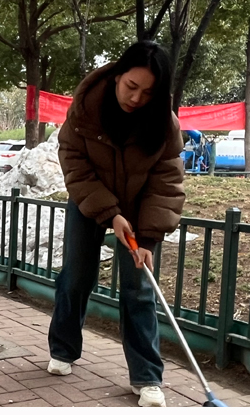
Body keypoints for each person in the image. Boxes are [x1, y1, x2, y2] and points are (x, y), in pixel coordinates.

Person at [47, 40, 185, 407]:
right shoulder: (86, 109)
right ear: (117, 76)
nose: (137, 98)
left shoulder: (163, 124)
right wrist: (110, 213)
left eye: (148, 92)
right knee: (76, 275)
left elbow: (167, 181)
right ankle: (63, 348)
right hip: (90, 199)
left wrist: (150, 236)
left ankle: (147, 377)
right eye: (131, 86)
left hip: (141, 208)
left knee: (139, 287)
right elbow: (73, 162)